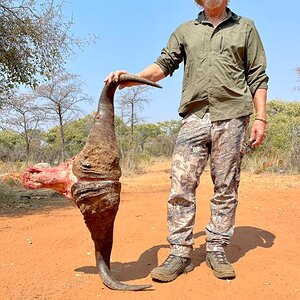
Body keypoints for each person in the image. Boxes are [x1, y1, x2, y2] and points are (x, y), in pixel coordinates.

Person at [105, 0, 268, 282]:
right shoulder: (185, 31)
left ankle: (216, 249)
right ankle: (179, 252)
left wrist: (260, 118)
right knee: (181, 184)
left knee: (226, 186)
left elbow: (257, 75)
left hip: (232, 116)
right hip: (194, 117)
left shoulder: (245, 28)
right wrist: (131, 77)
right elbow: (163, 65)